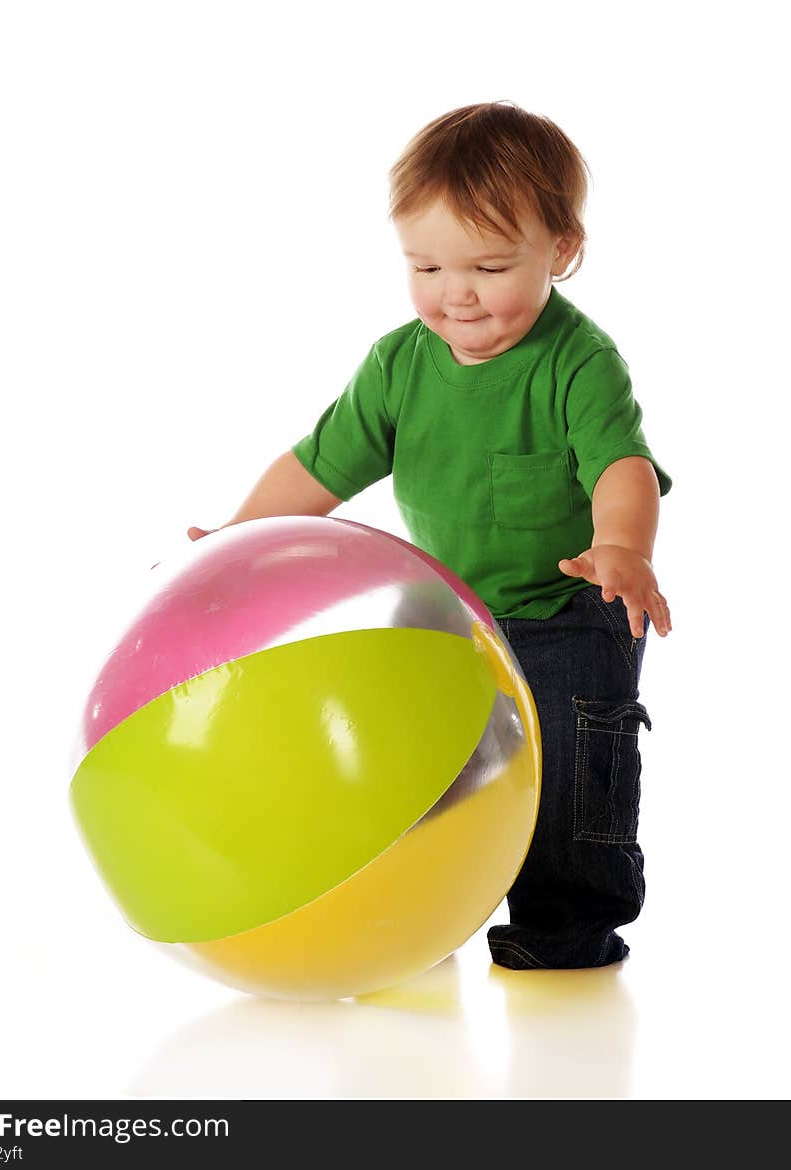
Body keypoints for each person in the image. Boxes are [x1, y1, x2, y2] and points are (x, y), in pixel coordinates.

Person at [188, 101, 672, 970]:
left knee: (570, 762)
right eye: (426, 265)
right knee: (414, 758)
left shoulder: (579, 362)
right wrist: (235, 541)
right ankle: (420, 902)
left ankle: (567, 928)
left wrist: (623, 549)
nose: (457, 293)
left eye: (489, 266)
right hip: (453, 608)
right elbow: (318, 467)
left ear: (560, 252)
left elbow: (620, 466)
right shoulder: (398, 365)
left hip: (569, 603)